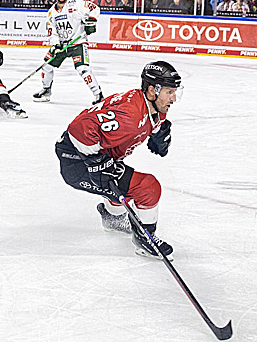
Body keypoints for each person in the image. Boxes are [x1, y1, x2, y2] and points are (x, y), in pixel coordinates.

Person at [53, 61, 181, 259]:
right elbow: (81, 128)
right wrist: (96, 163)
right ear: (151, 90)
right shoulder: (130, 115)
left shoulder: (148, 105)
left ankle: (111, 217)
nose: (173, 99)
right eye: (169, 92)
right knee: (148, 187)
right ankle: (145, 238)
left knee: (120, 186)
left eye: (175, 92)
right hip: (77, 161)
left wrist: (157, 130)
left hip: (90, 154)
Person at [35, 0, 103, 103]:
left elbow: (94, 8)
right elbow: (52, 32)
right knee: (46, 66)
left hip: (78, 43)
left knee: (83, 69)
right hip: (62, 45)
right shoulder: (52, 12)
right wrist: (55, 46)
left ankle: (98, 95)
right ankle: (46, 90)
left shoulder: (76, 3)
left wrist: (91, 21)